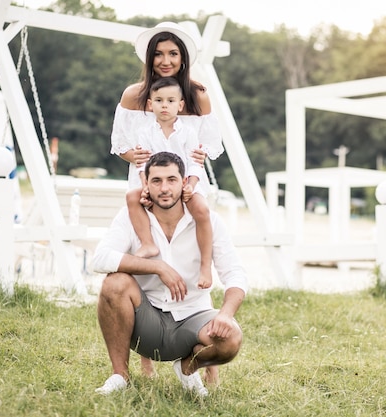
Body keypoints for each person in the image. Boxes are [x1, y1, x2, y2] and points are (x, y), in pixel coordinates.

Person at [110, 21, 225, 381]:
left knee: (188, 256)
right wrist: (136, 160)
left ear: (184, 57)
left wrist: (197, 168)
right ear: (149, 56)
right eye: (158, 53)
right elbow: (119, 143)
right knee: (148, 258)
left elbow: (212, 145)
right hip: (147, 180)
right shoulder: (135, 95)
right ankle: (144, 356)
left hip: (187, 181)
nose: (165, 60)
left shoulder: (197, 96)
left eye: (173, 53)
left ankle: (202, 357)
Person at [92, 152, 247, 396]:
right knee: (114, 282)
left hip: (193, 318)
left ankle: (187, 368)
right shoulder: (130, 217)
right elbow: (100, 258)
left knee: (232, 338)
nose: (164, 188)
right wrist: (158, 267)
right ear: (146, 184)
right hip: (145, 320)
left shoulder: (209, 221)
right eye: (157, 181)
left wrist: (226, 315)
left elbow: (235, 274)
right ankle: (120, 375)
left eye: (172, 180)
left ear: (184, 182)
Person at [127, 76, 214, 290]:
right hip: (156, 184)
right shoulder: (144, 132)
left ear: (180, 105)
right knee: (132, 197)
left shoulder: (188, 132)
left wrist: (190, 186)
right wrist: (146, 185)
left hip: (185, 183)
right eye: (158, 101)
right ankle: (148, 243)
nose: (164, 105)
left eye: (170, 101)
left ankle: (205, 265)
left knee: (202, 209)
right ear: (150, 104)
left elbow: (195, 164)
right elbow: (142, 163)